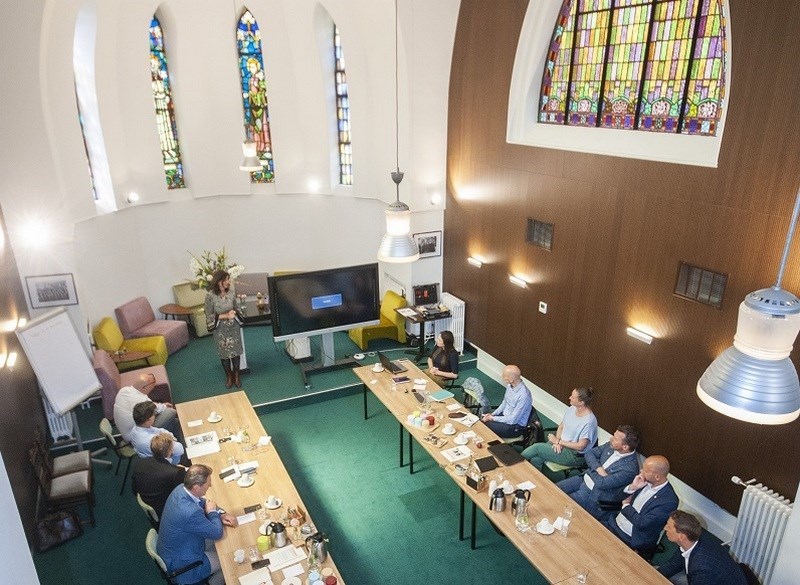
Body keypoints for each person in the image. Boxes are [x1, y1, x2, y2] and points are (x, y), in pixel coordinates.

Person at [157, 464, 238, 585]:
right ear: (196, 487)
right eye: (207, 484)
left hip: (174, 549)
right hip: (184, 564)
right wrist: (212, 512)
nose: (210, 486)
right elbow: (217, 533)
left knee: (225, 546)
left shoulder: (181, 488)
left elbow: (203, 502)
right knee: (230, 561)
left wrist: (220, 514)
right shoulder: (190, 512)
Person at [556, 425, 640, 520]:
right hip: (582, 479)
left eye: (615, 439)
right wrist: (598, 468)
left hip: (593, 494)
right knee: (553, 489)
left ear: (625, 447)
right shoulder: (611, 445)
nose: (611, 438)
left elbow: (602, 483)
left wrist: (592, 467)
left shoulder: (630, 469)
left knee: (560, 504)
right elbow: (589, 453)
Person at [604, 455, 679, 553]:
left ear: (657, 477)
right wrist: (632, 487)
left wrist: (626, 505)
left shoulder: (669, 501)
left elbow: (642, 523)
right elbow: (616, 498)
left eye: (646, 471)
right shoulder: (643, 481)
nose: (641, 471)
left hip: (630, 539)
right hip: (613, 523)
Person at [658, 510, 748, 585]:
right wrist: (655, 575)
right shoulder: (692, 539)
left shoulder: (702, 569)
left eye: (669, 527)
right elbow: (674, 564)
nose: (665, 528)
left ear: (681, 537)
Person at [521, 386, 598, 469]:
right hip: (561, 443)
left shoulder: (589, 422)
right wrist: (557, 442)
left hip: (574, 454)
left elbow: (580, 446)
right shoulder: (572, 409)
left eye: (572, 397)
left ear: (581, 402)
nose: (569, 398)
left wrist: (558, 441)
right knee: (536, 459)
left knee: (537, 448)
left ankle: (513, 462)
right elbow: (561, 426)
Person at [131, 433, 187, 518]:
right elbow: (186, 493)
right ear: (170, 450)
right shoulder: (175, 473)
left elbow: (134, 489)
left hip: (148, 501)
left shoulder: (140, 463)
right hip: (166, 510)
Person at [205, 269, 243, 389]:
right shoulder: (210, 296)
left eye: (228, 279)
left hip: (233, 327)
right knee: (224, 354)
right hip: (220, 329)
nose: (228, 282)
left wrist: (235, 312)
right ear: (219, 281)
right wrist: (225, 316)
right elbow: (209, 315)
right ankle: (229, 376)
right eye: (226, 279)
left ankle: (236, 375)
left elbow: (236, 307)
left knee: (235, 352)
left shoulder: (232, 291)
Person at [113, 372, 177, 442]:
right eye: (152, 385)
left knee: (171, 420)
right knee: (171, 411)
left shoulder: (123, 390)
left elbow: (150, 404)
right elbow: (156, 408)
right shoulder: (142, 400)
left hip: (125, 432)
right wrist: (164, 406)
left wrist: (161, 405)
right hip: (136, 437)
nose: (153, 387)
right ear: (144, 388)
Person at [480, 365, 533, 438]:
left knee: (486, 425)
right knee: (483, 420)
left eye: (504, 376)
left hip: (515, 427)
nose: (502, 377)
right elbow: (504, 403)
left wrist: (492, 418)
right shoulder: (509, 386)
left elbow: (512, 420)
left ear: (511, 379)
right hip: (505, 416)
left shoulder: (524, 396)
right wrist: (491, 415)